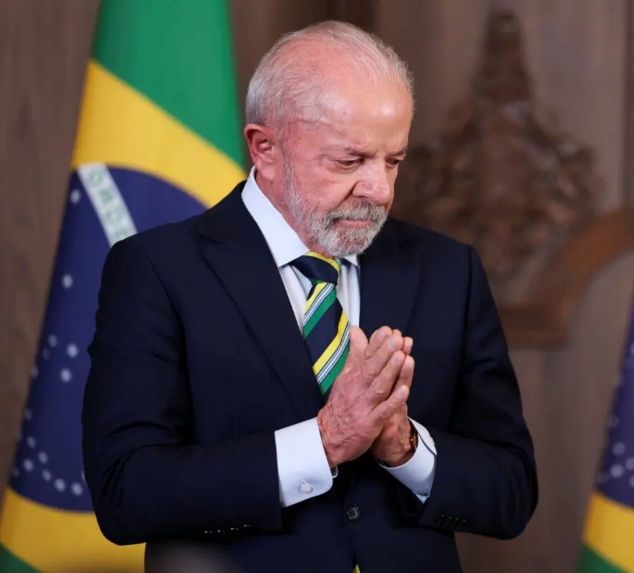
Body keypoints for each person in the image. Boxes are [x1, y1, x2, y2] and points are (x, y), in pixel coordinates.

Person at [81, 20, 538, 573]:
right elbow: (126, 492)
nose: (381, 190)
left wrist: (407, 449)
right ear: (266, 148)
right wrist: (321, 443)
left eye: (393, 160)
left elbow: (511, 491)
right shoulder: (157, 269)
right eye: (350, 161)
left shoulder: (447, 269)